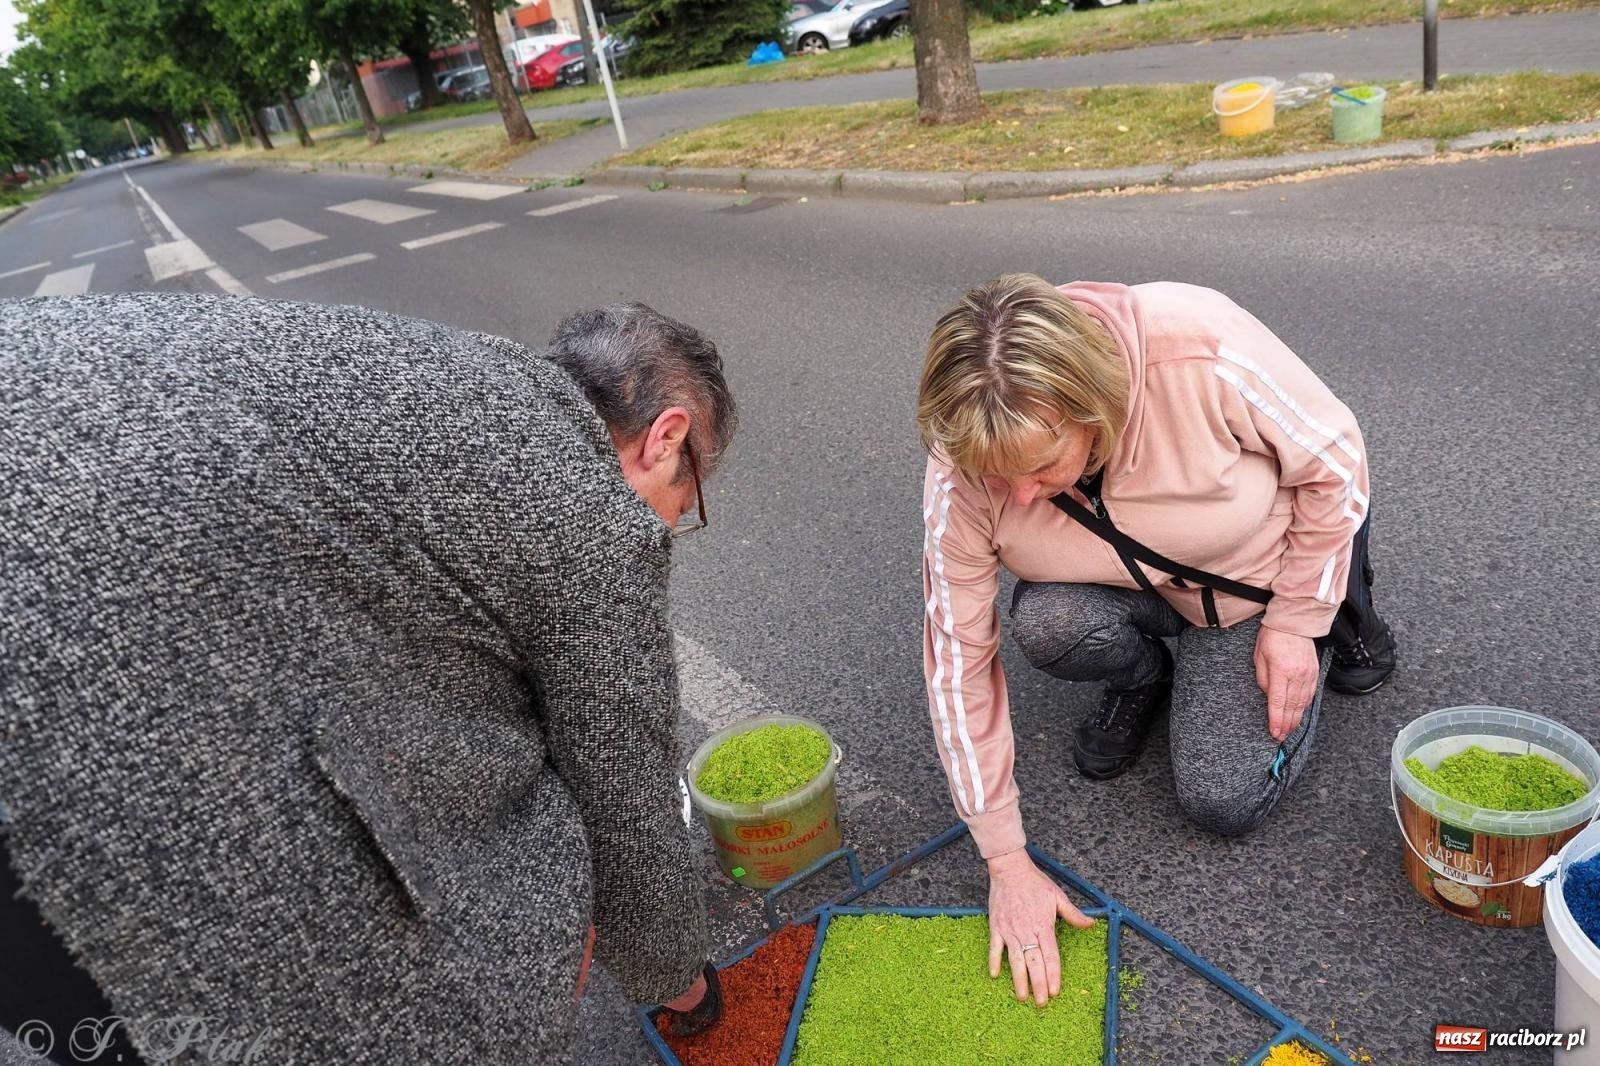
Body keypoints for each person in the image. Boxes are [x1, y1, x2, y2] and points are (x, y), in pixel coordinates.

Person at [0, 293, 735, 1065]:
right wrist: (677, 976)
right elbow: (625, 796)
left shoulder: (464, 375)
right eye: (686, 500)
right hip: (49, 711)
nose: (669, 526)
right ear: (666, 438)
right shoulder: (585, 505)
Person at [916, 274, 1395, 1007]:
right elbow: (956, 662)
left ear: (1095, 409)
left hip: (1252, 589)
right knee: (1046, 622)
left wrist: (1296, 622)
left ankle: (1335, 618)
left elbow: (1337, 464)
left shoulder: (1196, 347)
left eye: (1042, 467)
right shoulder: (966, 464)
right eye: (996, 476)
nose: (1017, 497)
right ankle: (1145, 678)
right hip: (1132, 589)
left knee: (1221, 800)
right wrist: (1005, 860)